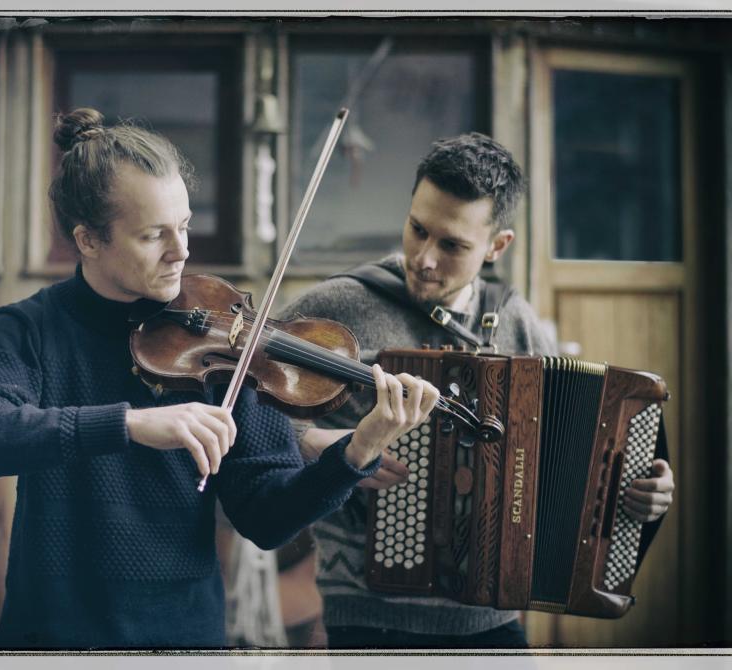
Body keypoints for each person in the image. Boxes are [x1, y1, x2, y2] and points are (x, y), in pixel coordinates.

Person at [0, 108, 440, 649]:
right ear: (88, 240)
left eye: (183, 226)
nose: (181, 251)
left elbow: (267, 520)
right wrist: (130, 424)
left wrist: (356, 451)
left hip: (183, 638)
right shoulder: (29, 329)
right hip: (53, 639)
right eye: (154, 235)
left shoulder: (223, 341)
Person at [279, 132, 676, 649]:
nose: (424, 258)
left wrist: (634, 493)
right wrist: (320, 443)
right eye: (417, 229)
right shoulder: (338, 307)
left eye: (452, 245)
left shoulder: (516, 323)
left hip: (489, 621)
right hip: (367, 616)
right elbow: (250, 410)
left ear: (496, 246)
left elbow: (572, 460)